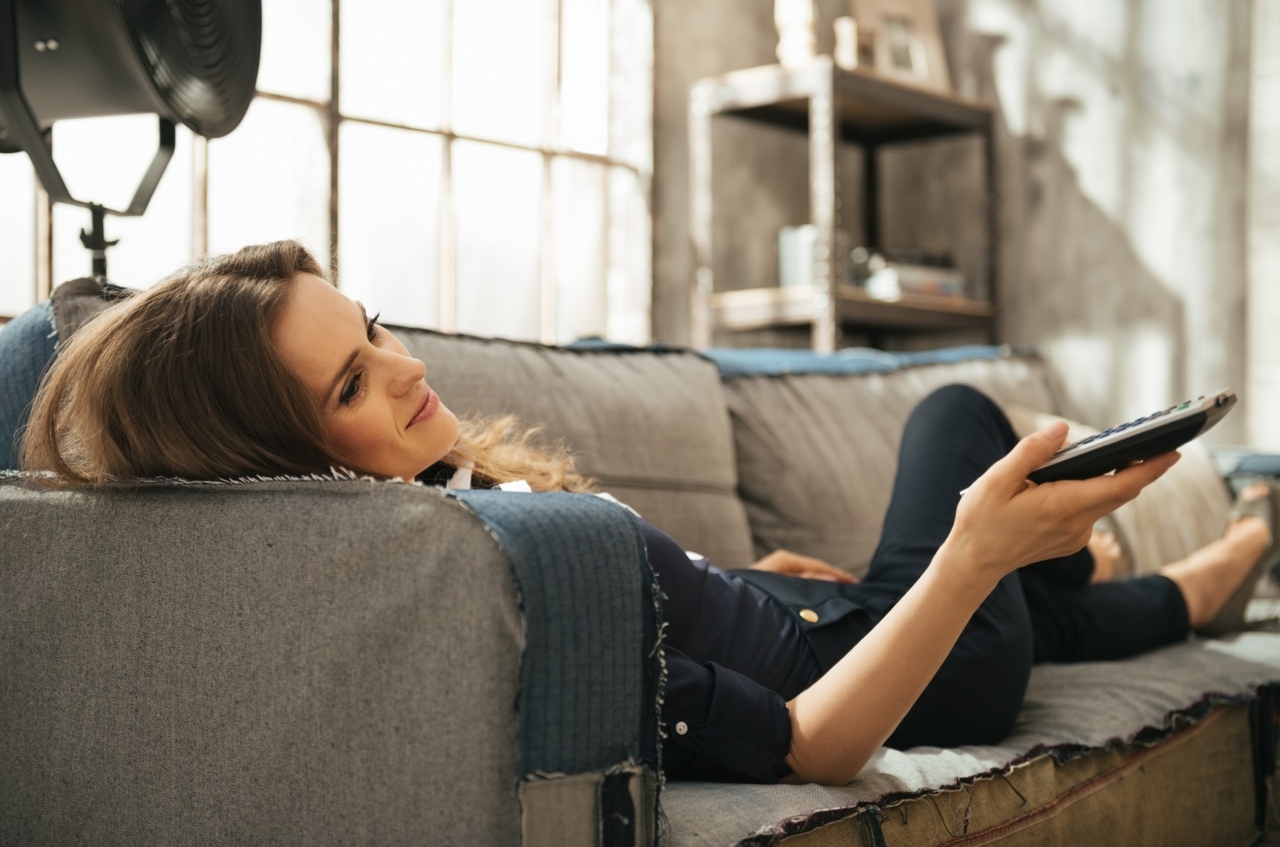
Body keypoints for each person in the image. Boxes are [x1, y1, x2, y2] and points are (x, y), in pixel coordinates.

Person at [20, 240, 1279, 786]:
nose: (405, 368)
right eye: (351, 382)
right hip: (891, 671)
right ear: (274, 463)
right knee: (956, 412)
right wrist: (965, 556)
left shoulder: (460, 500)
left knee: (1047, 609)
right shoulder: (497, 598)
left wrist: (755, 579)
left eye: (374, 327)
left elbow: (688, 609)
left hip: (836, 615)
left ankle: (1193, 565)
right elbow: (813, 745)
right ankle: (1236, 540)